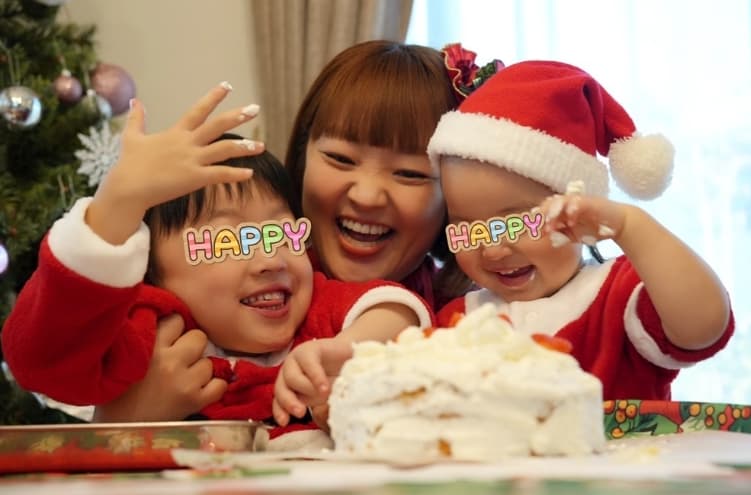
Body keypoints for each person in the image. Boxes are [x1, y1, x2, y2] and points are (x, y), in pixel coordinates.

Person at [1, 83, 433, 447]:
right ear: (152, 270)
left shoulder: (317, 314)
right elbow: (42, 357)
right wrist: (115, 209)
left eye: (280, 232)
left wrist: (346, 350)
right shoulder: (150, 331)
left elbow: (394, 310)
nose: (270, 260)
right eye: (227, 241)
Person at [94, 41, 499, 424]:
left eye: (410, 174)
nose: (367, 195)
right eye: (340, 158)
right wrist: (126, 415)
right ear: (302, 158)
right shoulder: (195, 307)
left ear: (454, 197)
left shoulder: (478, 326)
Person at [427, 60, 734, 400]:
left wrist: (629, 225)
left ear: (579, 209)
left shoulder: (618, 295)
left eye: (518, 223)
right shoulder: (456, 323)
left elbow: (703, 326)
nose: (493, 250)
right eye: (468, 231)